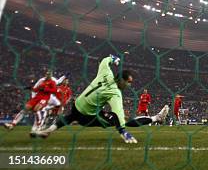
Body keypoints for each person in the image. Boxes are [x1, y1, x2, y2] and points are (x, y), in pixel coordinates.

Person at [32, 55, 169, 143]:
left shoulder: (106, 72)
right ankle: (156, 118)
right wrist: (122, 132)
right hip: (88, 116)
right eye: (128, 82)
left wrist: (113, 59)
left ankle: (47, 131)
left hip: (78, 104)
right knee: (123, 121)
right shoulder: (115, 93)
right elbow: (118, 112)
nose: (129, 85)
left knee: (70, 117)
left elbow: (104, 61)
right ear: (121, 80)